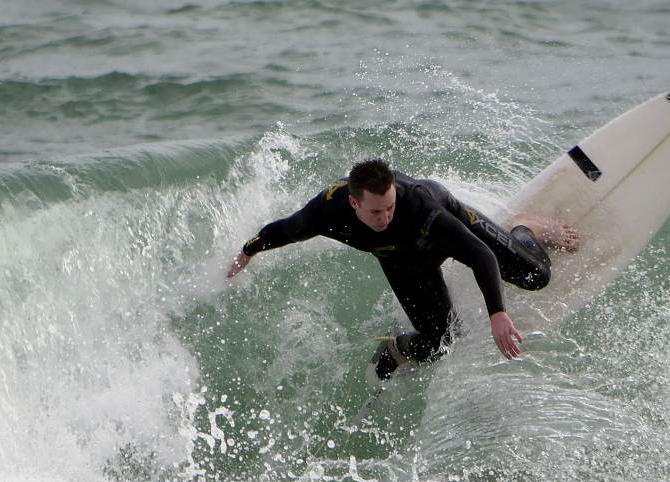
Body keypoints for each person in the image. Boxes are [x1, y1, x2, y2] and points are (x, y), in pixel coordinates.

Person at [226, 158, 578, 382]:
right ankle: (394, 350)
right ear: (354, 203)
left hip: (444, 231)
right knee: (441, 343)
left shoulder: (418, 205)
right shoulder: (328, 210)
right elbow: (285, 230)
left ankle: (524, 227)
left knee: (536, 277)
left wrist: (497, 313)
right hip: (405, 262)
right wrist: (247, 252)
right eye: (376, 212)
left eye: (390, 207)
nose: (386, 217)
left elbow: (480, 254)